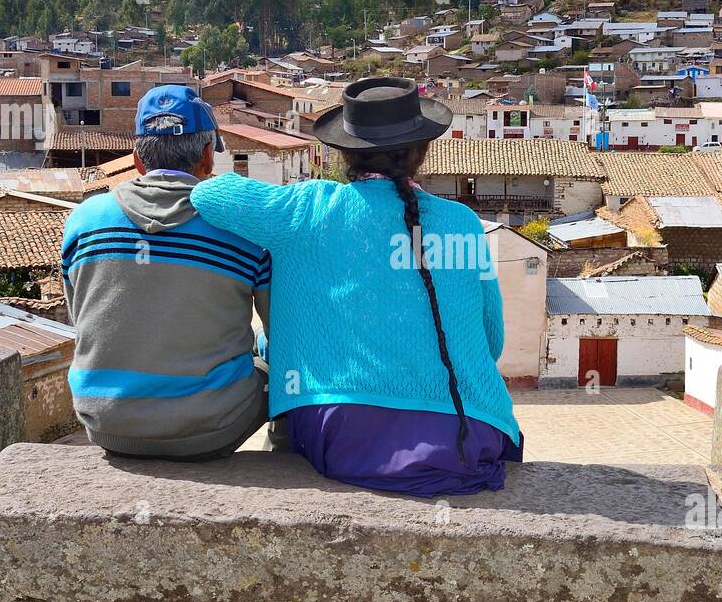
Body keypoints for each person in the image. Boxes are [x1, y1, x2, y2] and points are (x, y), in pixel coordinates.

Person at [188, 76, 522, 497]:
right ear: (421, 151)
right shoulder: (463, 224)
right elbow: (491, 341)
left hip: (340, 431)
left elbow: (211, 194)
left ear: (345, 152)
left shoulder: (306, 208)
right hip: (468, 428)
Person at [61, 84, 273, 459]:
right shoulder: (243, 230)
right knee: (273, 370)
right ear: (207, 158)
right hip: (212, 429)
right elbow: (280, 331)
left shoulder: (84, 220)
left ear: (137, 160)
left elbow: (80, 316)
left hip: (106, 425)